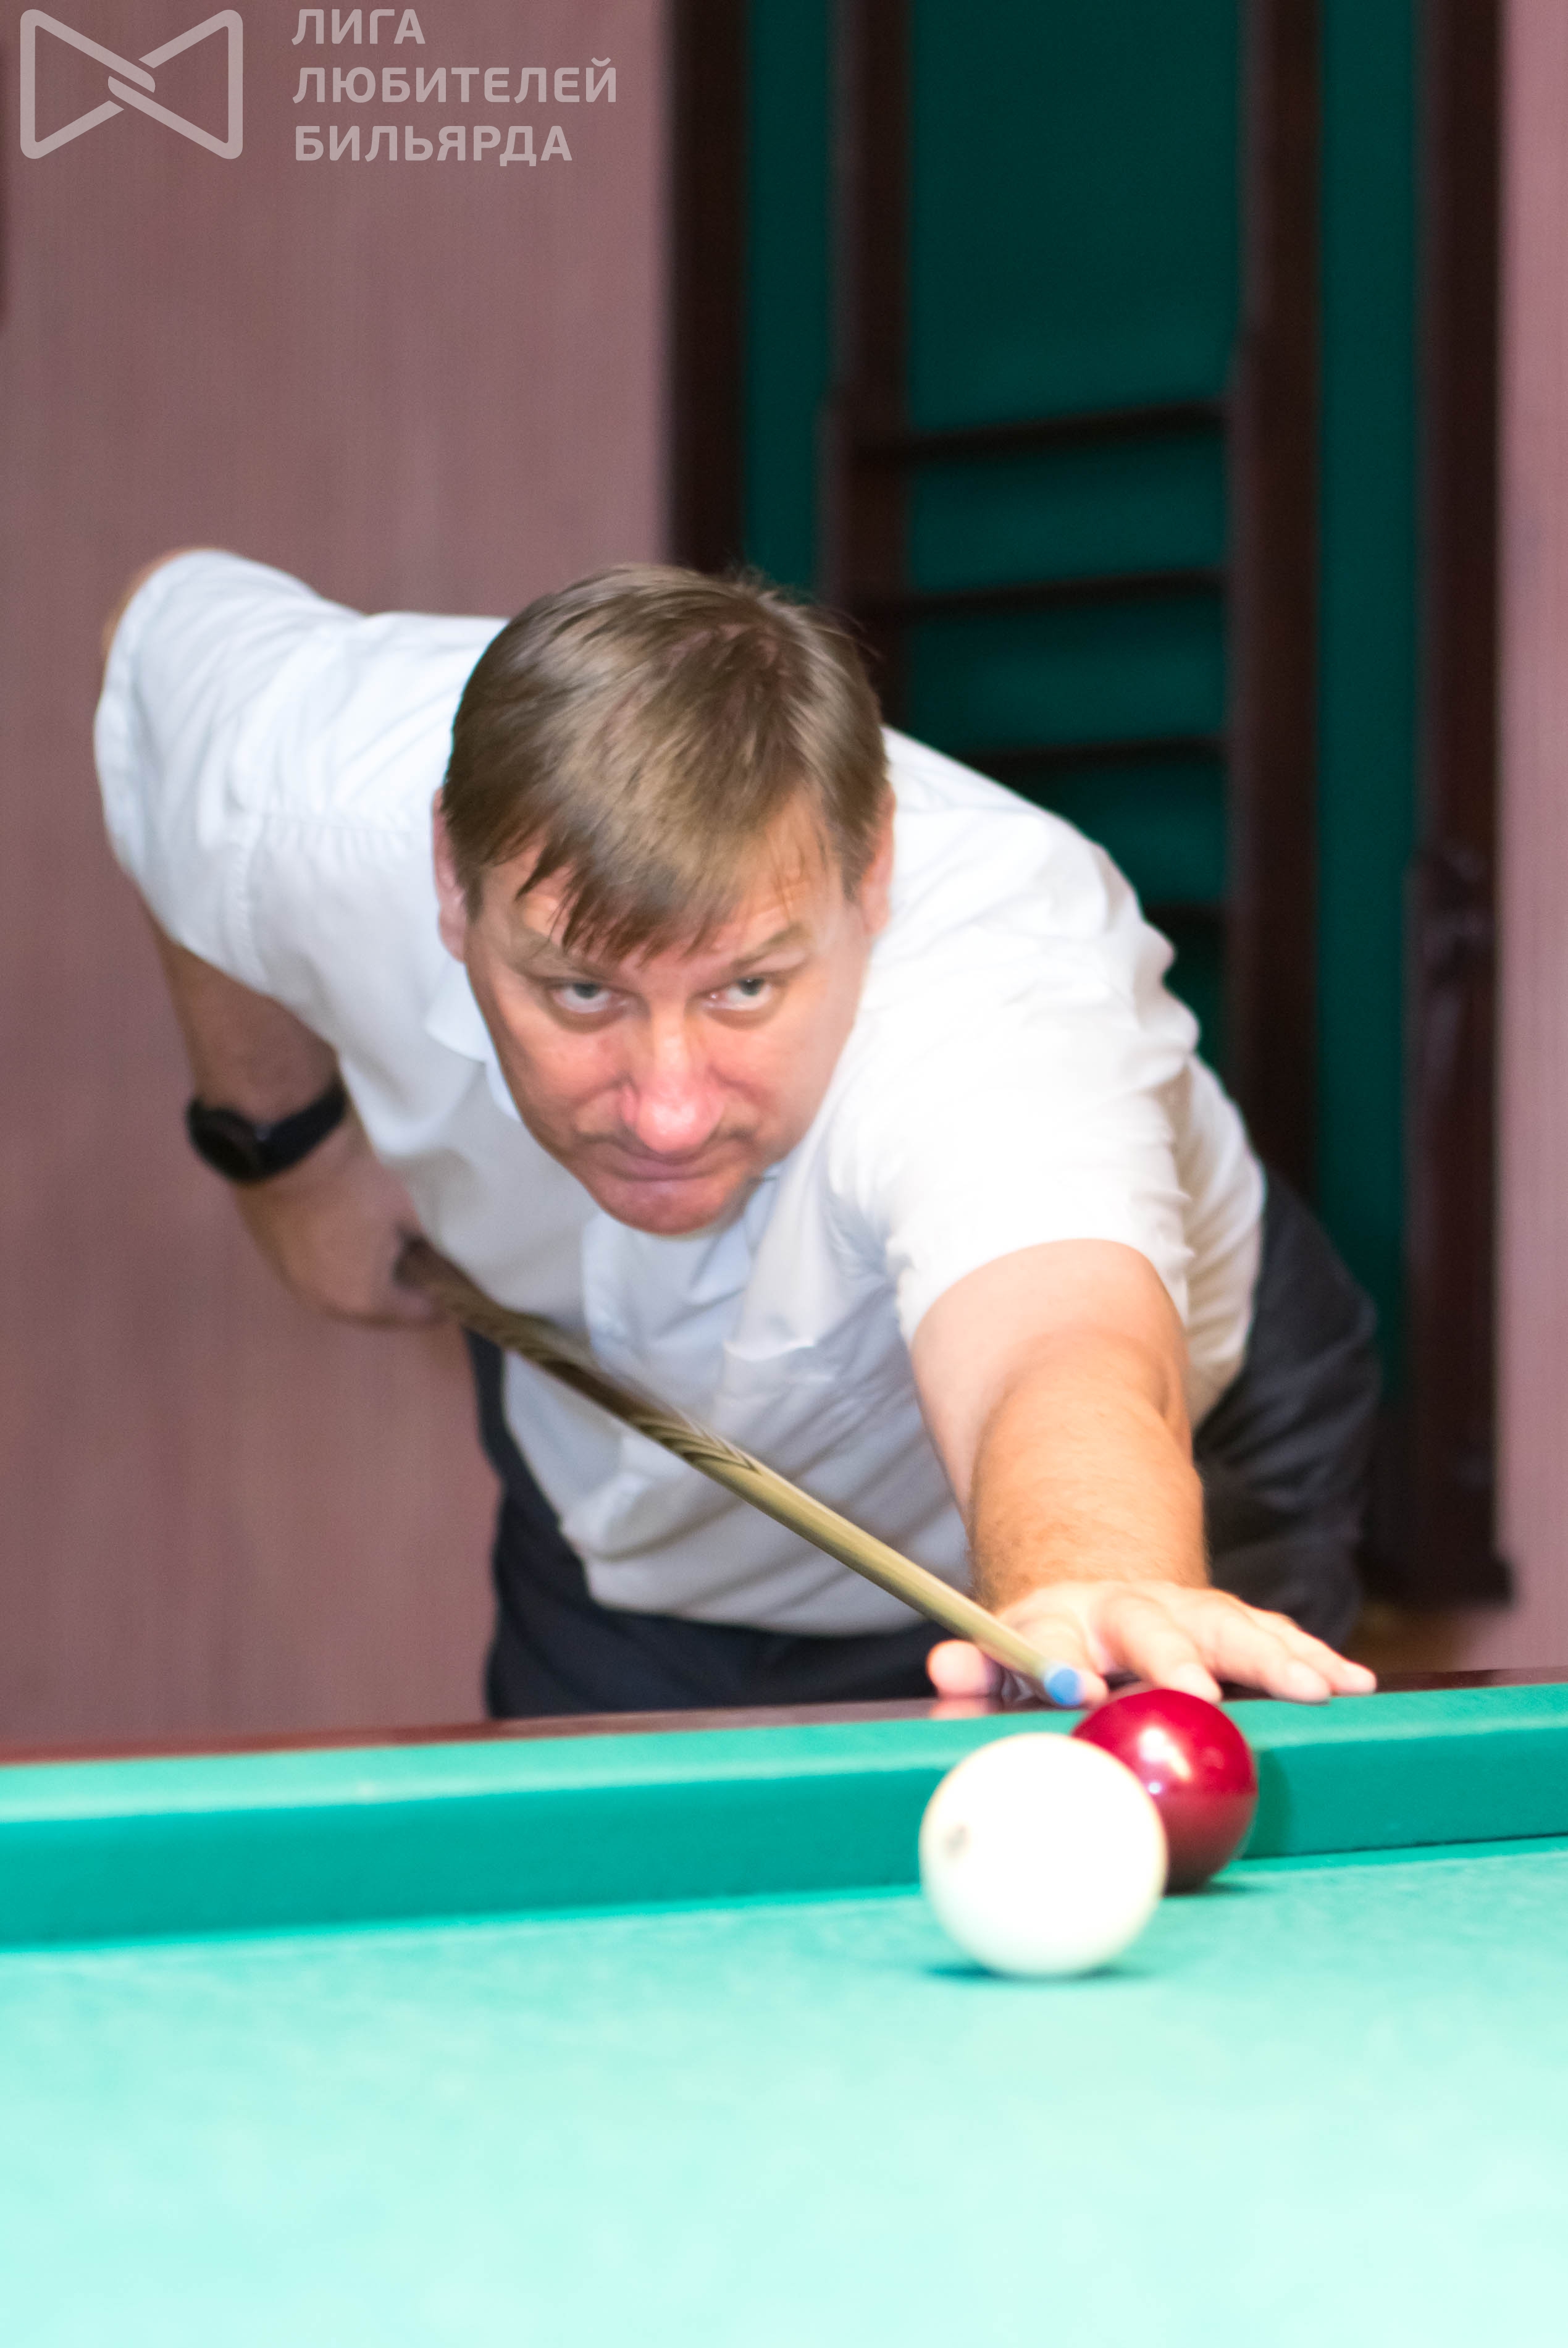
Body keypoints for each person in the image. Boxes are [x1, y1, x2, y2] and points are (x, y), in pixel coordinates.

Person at [96, 549, 1380, 1718]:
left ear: (870, 873)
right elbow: (153, 659)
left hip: (1123, 1492)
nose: (668, 1111)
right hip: (623, 1508)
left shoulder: (1002, 979)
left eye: (745, 988)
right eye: (580, 992)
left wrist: (1097, 1583)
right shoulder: (321, 800)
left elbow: (1054, 1342)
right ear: (449, 874)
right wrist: (285, 1147)